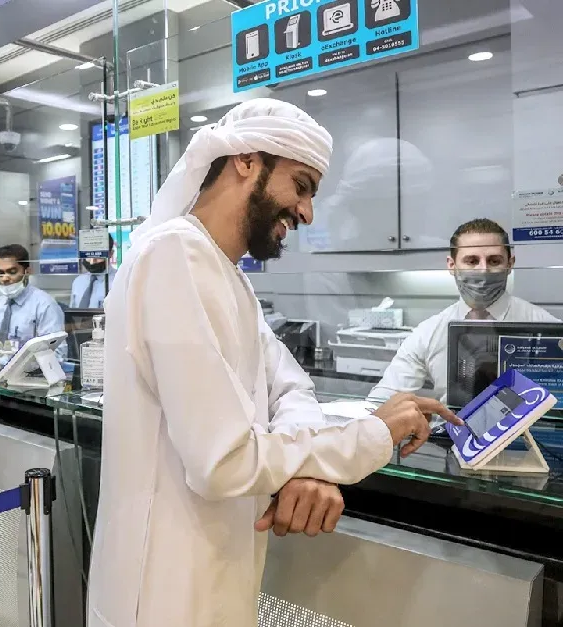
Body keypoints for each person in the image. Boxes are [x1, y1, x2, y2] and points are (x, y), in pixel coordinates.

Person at [87, 98, 462, 627]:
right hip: (164, 589)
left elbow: (292, 388)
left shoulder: (229, 276)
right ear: (246, 161)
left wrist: (309, 465)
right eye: (302, 186)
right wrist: (368, 439)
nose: (307, 212)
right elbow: (222, 461)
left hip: (218, 571)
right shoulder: (173, 254)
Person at [368, 218, 558, 404]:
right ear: (452, 265)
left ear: (510, 264)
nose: (483, 270)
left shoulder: (548, 329)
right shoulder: (428, 333)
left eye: (494, 261)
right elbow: (383, 399)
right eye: (472, 261)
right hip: (451, 433)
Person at [0, 244, 66, 353]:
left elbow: (57, 353)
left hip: (30, 369)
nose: (5, 278)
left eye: (12, 272)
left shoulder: (45, 305)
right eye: (1, 273)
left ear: (27, 271)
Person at [70, 234, 116, 309]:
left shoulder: (118, 282)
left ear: (111, 254)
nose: (92, 262)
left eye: (97, 256)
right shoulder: (78, 282)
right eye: (88, 256)